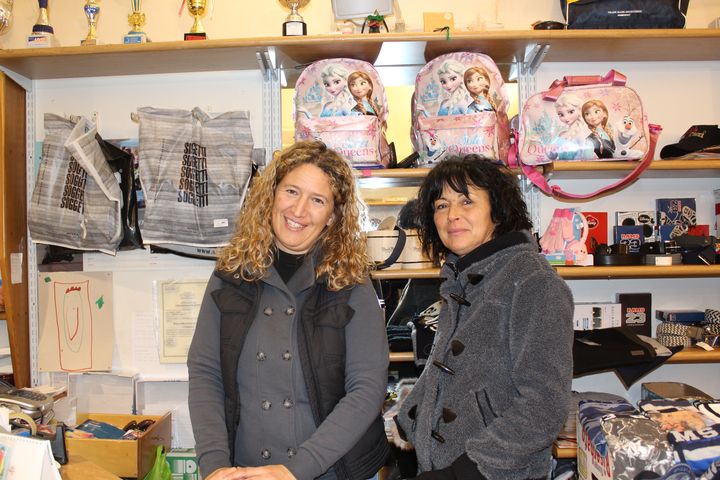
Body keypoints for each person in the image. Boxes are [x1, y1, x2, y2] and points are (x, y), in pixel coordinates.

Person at [188, 141, 391, 480]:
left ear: (333, 216)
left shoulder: (350, 282)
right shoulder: (231, 274)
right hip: (247, 470)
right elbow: (205, 373)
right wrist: (215, 466)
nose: (299, 210)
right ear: (271, 196)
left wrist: (295, 470)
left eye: (317, 200)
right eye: (292, 191)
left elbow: (367, 388)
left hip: (332, 470)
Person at [393, 155, 574, 480]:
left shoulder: (532, 280)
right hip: (442, 465)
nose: (452, 215)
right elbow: (444, 369)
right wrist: (406, 421)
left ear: (497, 209)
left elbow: (544, 404)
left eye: (467, 201)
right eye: (441, 205)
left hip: (493, 472)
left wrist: (464, 472)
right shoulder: (462, 277)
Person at [550, 93, 587, 160]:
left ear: (579, 110)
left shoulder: (581, 134)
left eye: (571, 112)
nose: (566, 118)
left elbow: (583, 156)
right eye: (561, 114)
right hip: (559, 166)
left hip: (575, 166)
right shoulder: (562, 134)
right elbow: (552, 156)